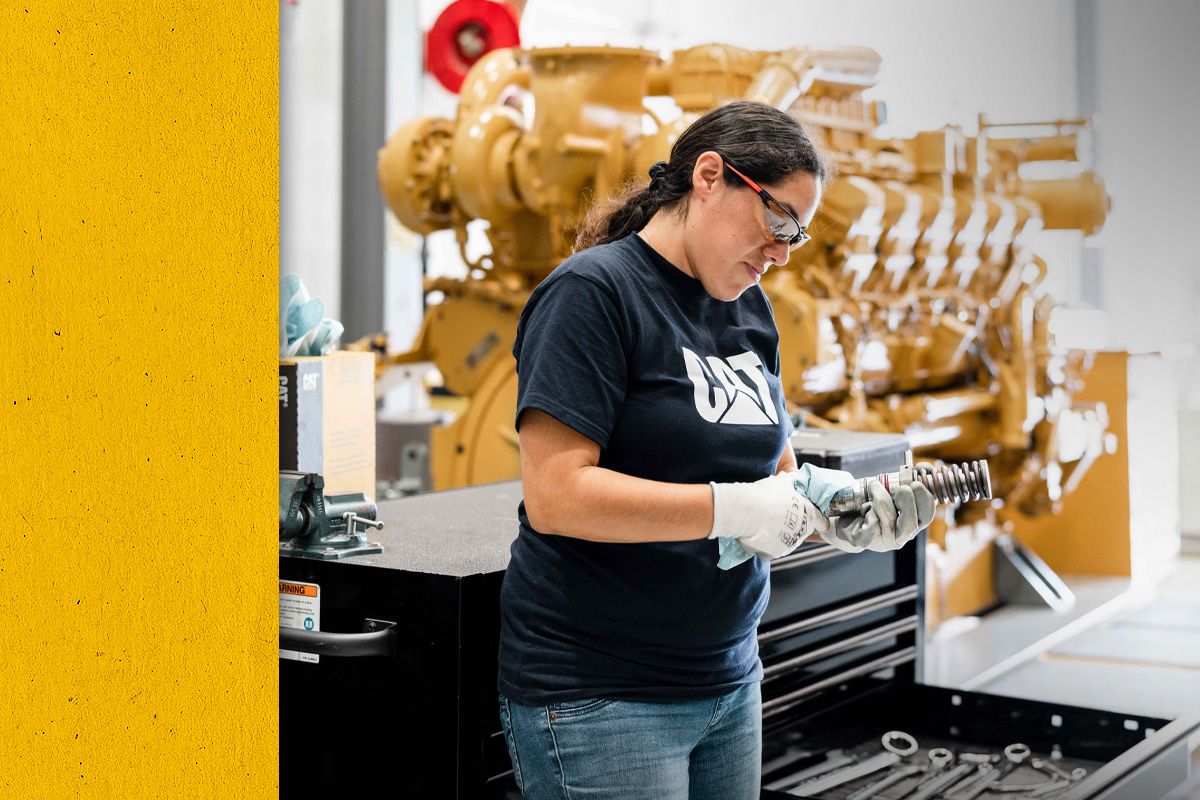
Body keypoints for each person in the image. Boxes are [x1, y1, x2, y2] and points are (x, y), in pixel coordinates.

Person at [496, 99, 935, 800]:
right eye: (778, 220)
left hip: (728, 678)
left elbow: (777, 472)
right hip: (605, 694)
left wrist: (838, 508)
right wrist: (729, 509)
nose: (782, 252)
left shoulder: (750, 310)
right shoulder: (593, 295)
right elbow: (557, 496)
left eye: (799, 234)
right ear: (709, 176)